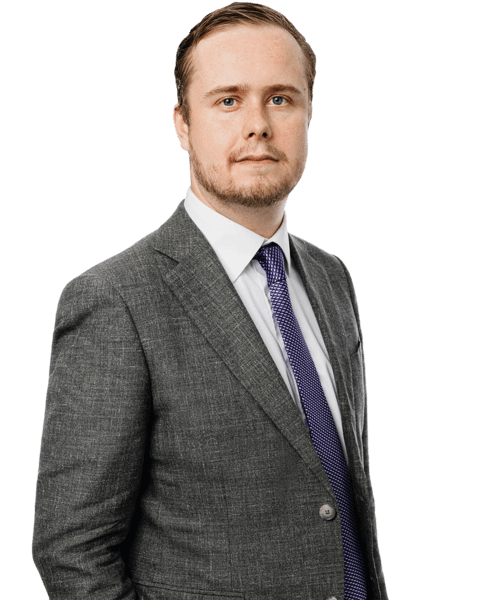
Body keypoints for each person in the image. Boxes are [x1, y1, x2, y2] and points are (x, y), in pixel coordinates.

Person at [32, 3, 389, 599]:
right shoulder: (115, 300)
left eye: (281, 99)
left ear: (308, 114)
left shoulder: (333, 279)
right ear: (182, 124)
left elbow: (336, 498)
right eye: (228, 100)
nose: (258, 125)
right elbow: (72, 551)